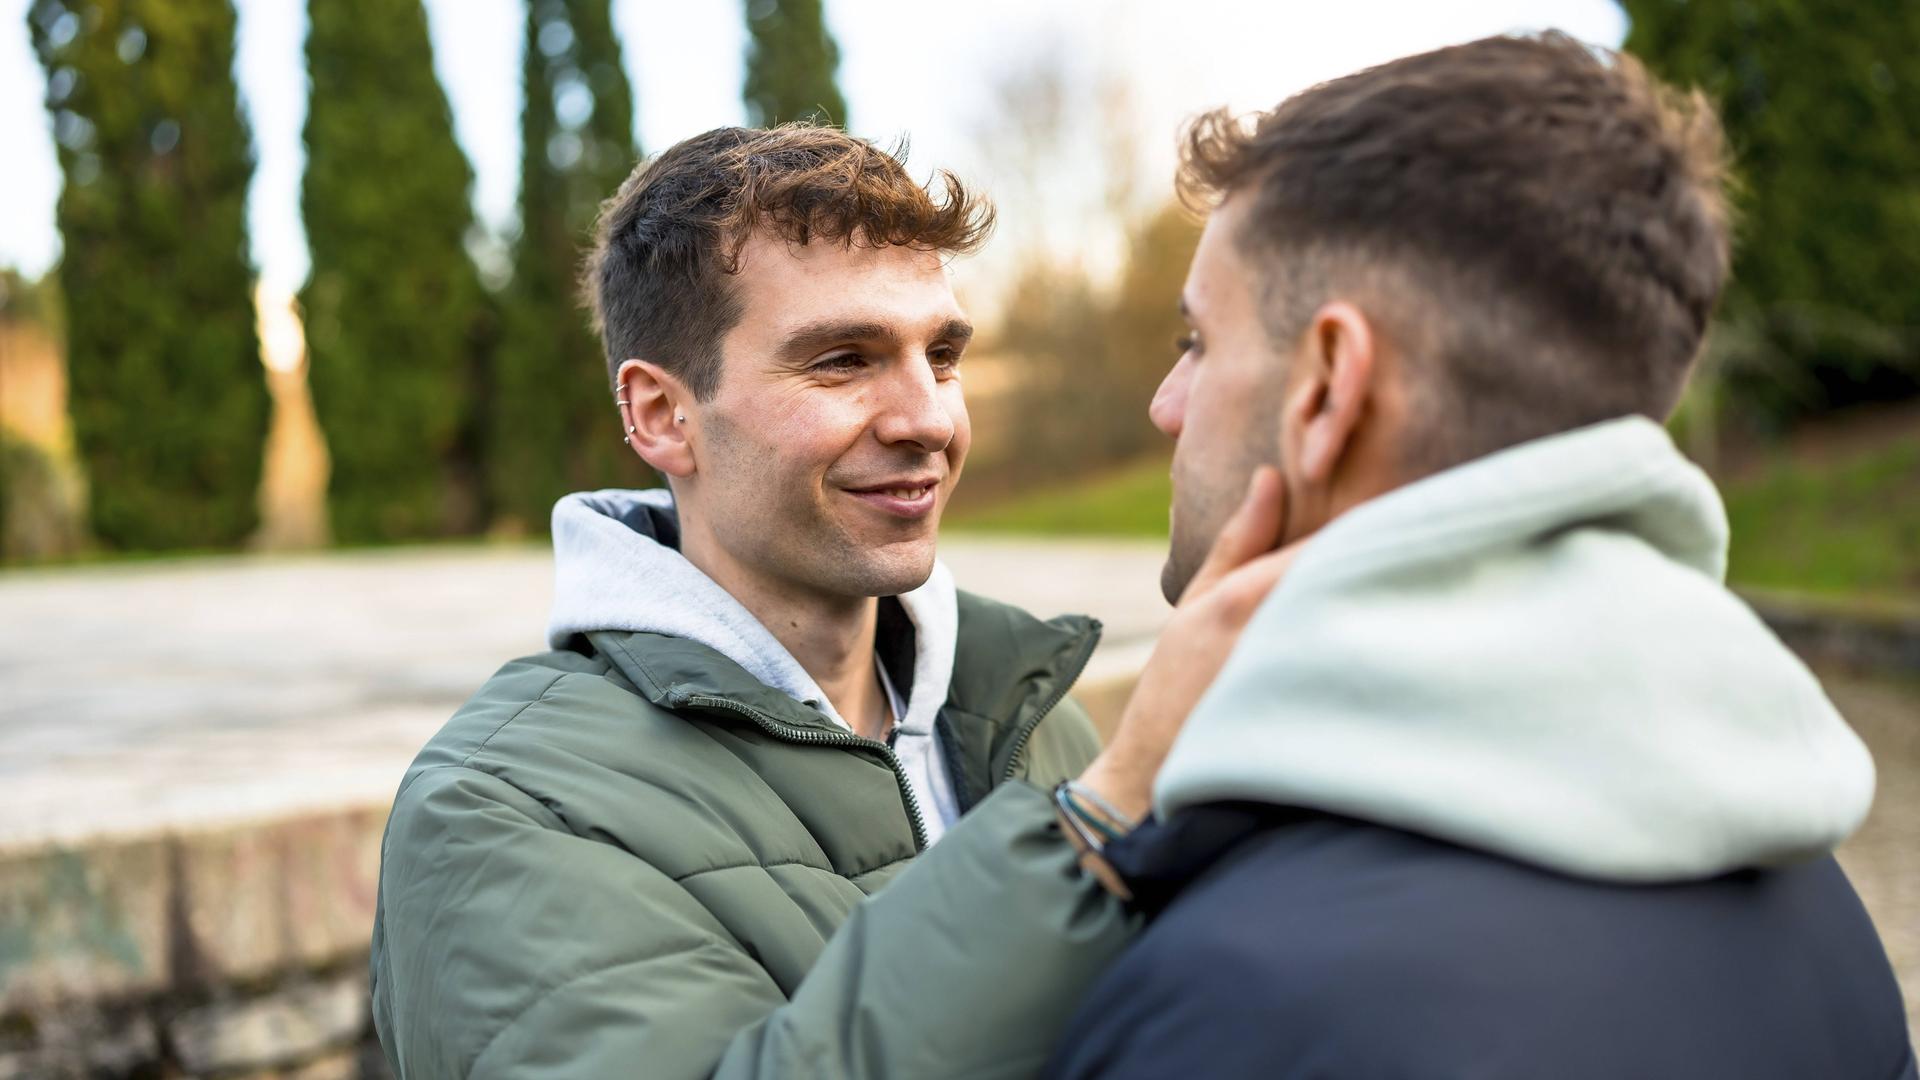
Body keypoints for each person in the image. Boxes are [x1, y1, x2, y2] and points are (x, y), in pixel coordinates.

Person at [1046, 33, 1916, 1080]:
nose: (1166, 404)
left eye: (1198, 342)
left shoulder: (1239, 1003)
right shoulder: (1817, 898)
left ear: (1328, 388)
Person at [368, 124, 1283, 1079]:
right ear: (662, 416)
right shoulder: (502, 809)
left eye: (942, 355)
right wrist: (1096, 830)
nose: (928, 418)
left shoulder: (1028, 706)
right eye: (843, 360)